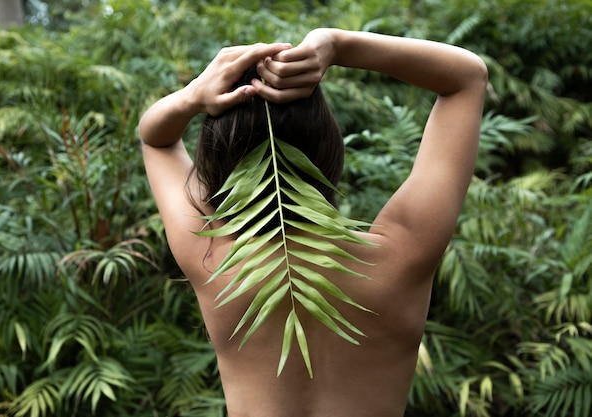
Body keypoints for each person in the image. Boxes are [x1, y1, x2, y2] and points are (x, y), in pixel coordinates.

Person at [139, 28, 488, 417]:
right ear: (328, 148)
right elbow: (466, 77)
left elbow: (155, 138)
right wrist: (336, 44)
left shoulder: (212, 257)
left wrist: (193, 96)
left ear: (222, 162)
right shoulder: (403, 252)